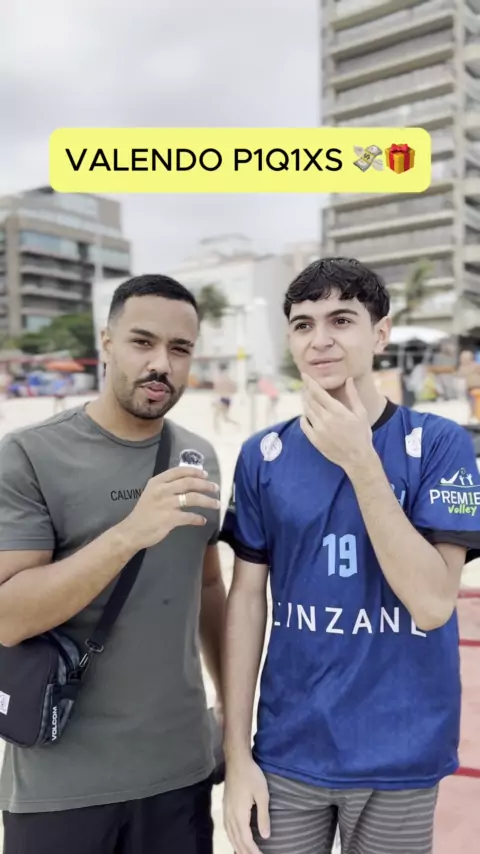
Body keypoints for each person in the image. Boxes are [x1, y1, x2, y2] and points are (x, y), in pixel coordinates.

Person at [219, 257, 480, 854]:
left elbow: (433, 604)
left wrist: (362, 460)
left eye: (341, 320)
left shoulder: (439, 444)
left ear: (379, 333)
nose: (321, 339)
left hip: (401, 750)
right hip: (289, 750)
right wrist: (237, 757)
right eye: (303, 324)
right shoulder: (262, 455)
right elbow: (247, 603)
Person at [0, 274, 226, 854]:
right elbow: (9, 617)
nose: (161, 365)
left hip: (179, 773)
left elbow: (208, 587)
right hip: (60, 784)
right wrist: (127, 534)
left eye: (179, 349)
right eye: (142, 342)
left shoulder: (199, 457)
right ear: (106, 342)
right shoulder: (29, 455)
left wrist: (231, 701)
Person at [213, 364, 238, 431]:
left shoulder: (220, 377)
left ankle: (217, 430)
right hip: (227, 399)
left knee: (217, 416)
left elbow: (217, 389)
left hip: (223, 399)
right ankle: (236, 425)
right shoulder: (228, 377)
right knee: (225, 418)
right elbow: (233, 389)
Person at [458, 349, 480, 422]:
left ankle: (475, 417)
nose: (461, 360)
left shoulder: (475, 366)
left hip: (476, 388)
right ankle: (473, 416)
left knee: (475, 403)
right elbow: (460, 375)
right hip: (469, 388)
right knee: (472, 404)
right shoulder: (463, 367)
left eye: (463, 358)